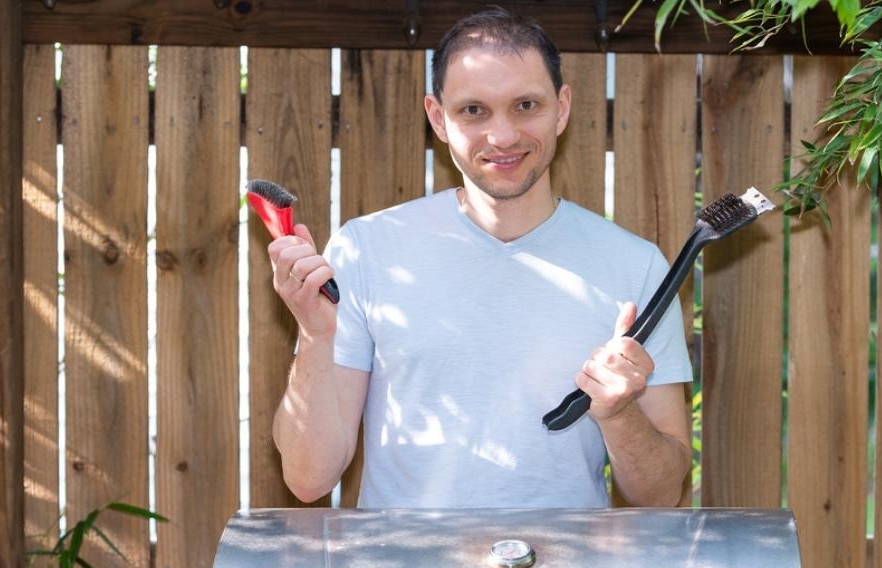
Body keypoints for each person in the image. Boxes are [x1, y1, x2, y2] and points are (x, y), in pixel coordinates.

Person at [269, 8, 691, 509]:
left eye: (525, 105)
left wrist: (620, 414)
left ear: (561, 108)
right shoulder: (368, 249)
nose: (503, 136)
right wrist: (317, 337)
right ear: (437, 117)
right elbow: (308, 478)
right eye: (474, 110)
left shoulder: (633, 266)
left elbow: (661, 496)